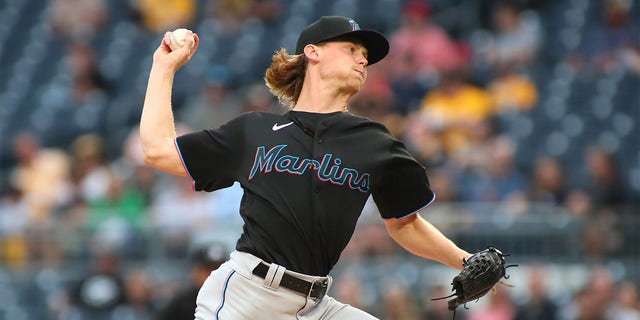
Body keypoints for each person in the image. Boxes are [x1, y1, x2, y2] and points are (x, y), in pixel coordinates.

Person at [140, 16, 471, 319]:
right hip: (247, 297)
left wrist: (465, 261)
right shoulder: (253, 132)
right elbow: (157, 151)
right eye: (351, 49)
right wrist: (163, 67)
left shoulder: (375, 142)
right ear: (313, 52)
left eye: (365, 56)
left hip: (316, 304)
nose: (363, 60)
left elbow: (406, 225)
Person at [157, 242, 229, 320]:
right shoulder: (180, 305)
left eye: (219, 269)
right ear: (195, 272)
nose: (213, 274)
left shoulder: (234, 299)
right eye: (207, 270)